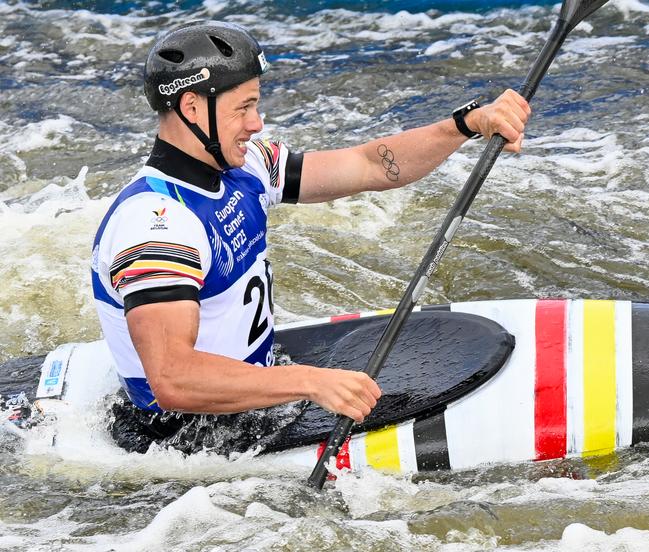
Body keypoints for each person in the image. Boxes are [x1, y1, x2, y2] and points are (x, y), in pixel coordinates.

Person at [91, 20, 531, 453]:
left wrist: (468, 124)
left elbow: (370, 166)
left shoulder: (246, 170)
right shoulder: (157, 224)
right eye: (242, 108)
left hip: (254, 390)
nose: (256, 123)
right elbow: (173, 379)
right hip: (186, 433)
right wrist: (309, 382)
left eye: (255, 106)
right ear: (191, 108)